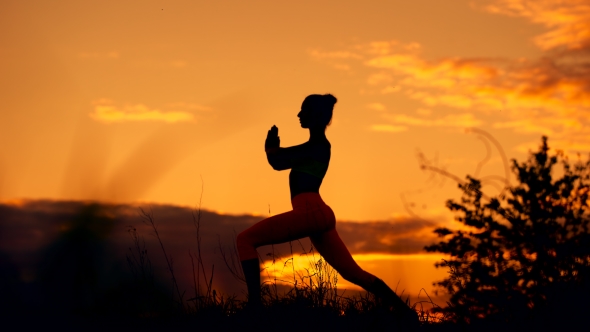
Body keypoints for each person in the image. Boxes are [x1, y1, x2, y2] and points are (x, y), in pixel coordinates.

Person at [236, 94, 419, 324]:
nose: (299, 115)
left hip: (311, 212)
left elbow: (278, 161)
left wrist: (271, 149)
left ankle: (254, 308)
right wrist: (272, 151)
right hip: (317, 214)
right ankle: (406, 314)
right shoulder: (314, 147)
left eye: (304, 111)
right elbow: (278, 161)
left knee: (245, 240)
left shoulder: (318, 146)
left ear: (318, 116)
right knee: (354, 274)